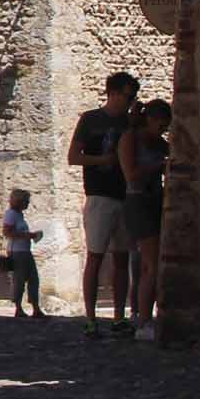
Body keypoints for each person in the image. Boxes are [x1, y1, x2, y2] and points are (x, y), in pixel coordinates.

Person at [67, 71, 138, 338]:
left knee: (122, 258)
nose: (130, 102)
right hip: (99, 195)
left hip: (125, 195)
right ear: (114, 93)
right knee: (95, 256)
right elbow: (73, 156)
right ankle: (90, 317)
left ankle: (119, 316)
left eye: (133, 98)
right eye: (127, 96)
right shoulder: (91, 119)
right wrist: (101, 161)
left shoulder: (130, 123)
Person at [118, 99, 172, 342]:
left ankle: (149, 316)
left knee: (153, 262)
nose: (162, 130)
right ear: (149, 119)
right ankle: (143, 321)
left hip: (154, 202)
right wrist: (159, 165)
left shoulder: (159, 143)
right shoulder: (130, 139)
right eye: (160, 125)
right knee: (150, 264)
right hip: (138, 202)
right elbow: (131, 174)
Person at [3, 188, 43, 317]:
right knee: (19, 280)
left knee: (33, 279)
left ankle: (36, 308)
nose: (28, 204)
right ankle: (18, 308)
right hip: (17, 252)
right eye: (26, 201)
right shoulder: (11, 214)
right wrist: (28, 236)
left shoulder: (19, 214)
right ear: (19, 201)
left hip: (25, 251)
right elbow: (7, 232)